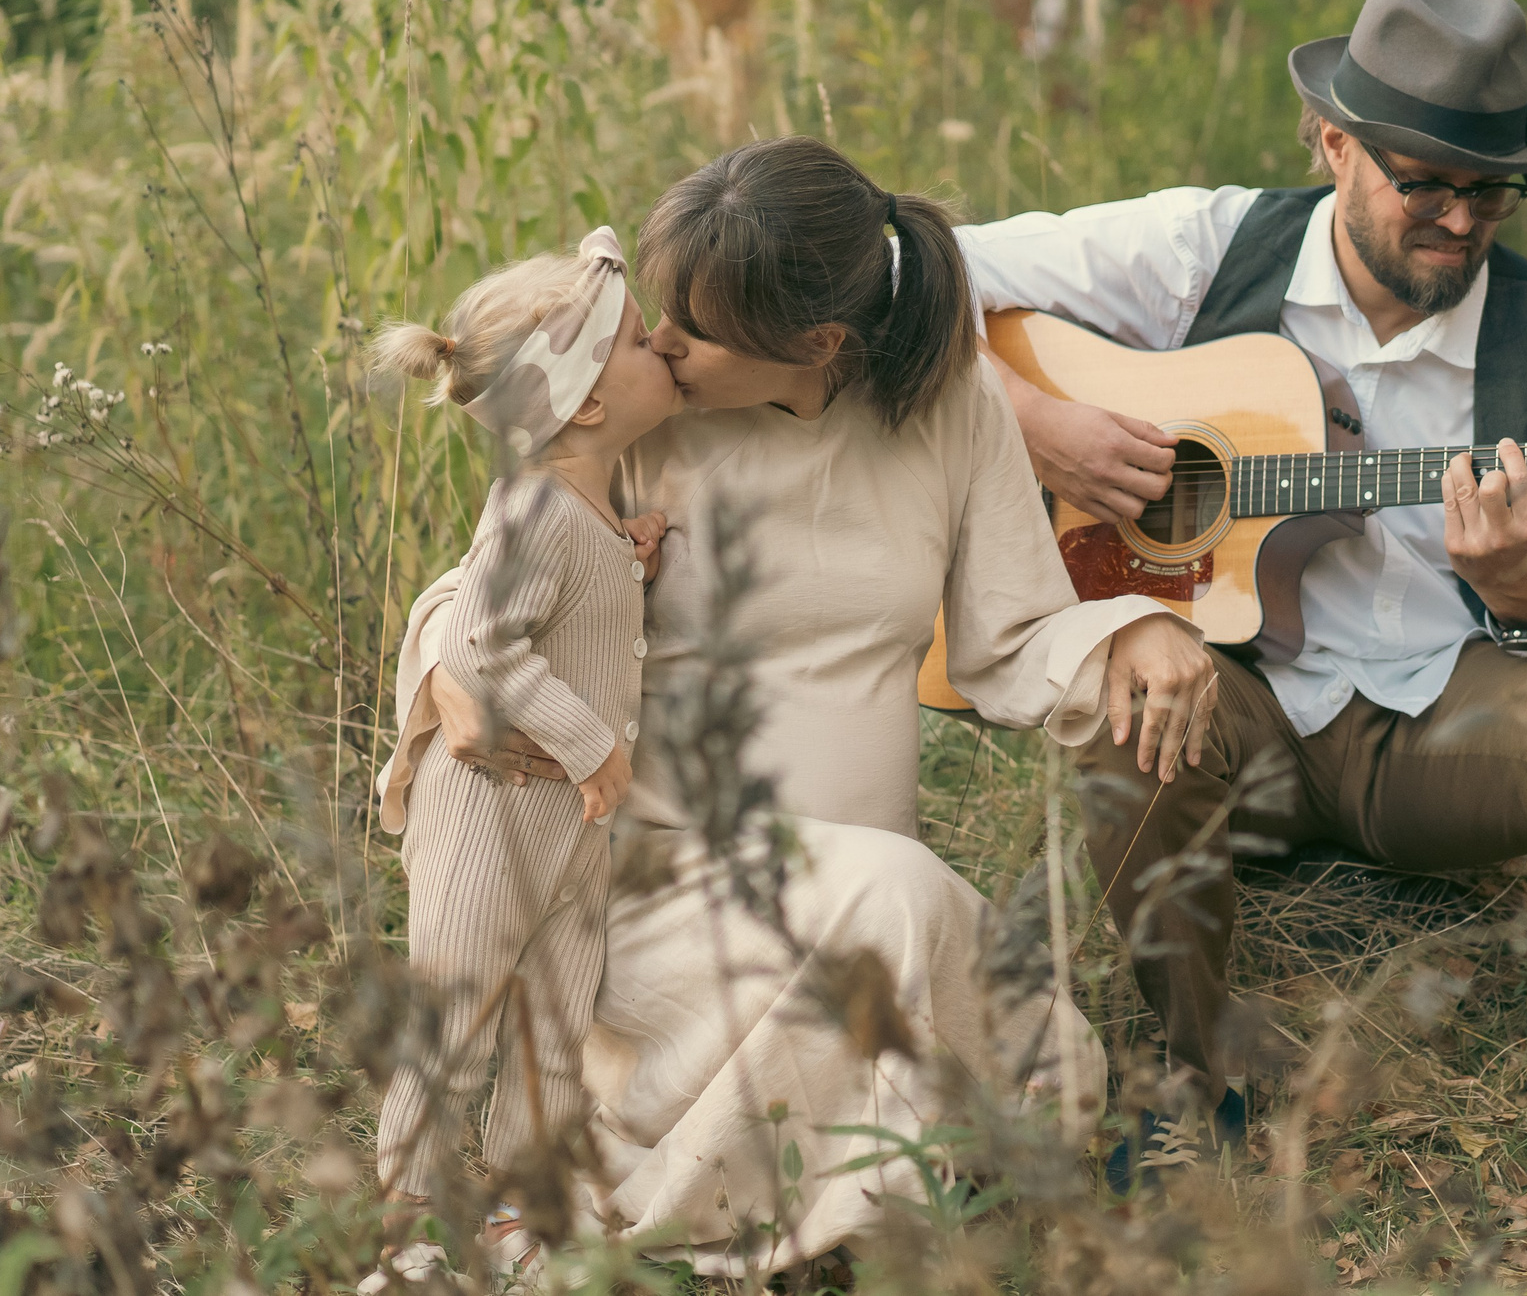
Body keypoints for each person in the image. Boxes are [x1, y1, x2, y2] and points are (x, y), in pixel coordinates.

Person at [954, 0, 1527, 1197]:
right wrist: (1042, 427)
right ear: (1333, 145)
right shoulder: (1202, 250)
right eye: (1423, 182)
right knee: (1119, 707)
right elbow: (911, 264)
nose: (1461, 223)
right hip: (1232, 708)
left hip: (1443, 728)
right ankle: (1195, 1089)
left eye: (1490, 191)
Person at [394, 136, 1216, 1278]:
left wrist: (1132, 630)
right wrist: (443, 663)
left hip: (848, 886)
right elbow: (482, 582)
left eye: (694, 326)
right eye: (657, 307)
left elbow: (1011, 640)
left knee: (974, 989)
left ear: (817, 343)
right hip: (650, 883)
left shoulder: (954, 406)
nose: (659, 338)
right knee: (897, 903)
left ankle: (881, 1170)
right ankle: (678, 1202)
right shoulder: (639, 416)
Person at [364, 227, 678, 1285]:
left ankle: (514, 1207)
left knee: (554, 1009)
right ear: (588, 401)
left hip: (569, 824)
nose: (664, 346)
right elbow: (480, 645)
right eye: (640, 341)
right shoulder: (537, 507)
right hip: (495, 808)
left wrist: (632, 551)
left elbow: (568, 613)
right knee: (458, 1006)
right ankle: (403, 1219)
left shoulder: (580, 505)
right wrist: (596, 750)